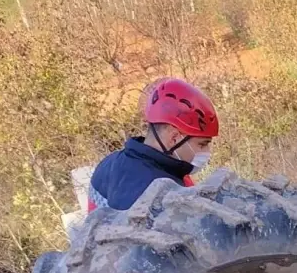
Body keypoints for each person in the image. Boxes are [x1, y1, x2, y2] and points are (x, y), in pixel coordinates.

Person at [88, 77, 219, 211]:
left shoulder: (108, 164)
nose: (207, 152)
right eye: (202, 144)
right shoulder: (161, 199)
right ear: (174, 137)